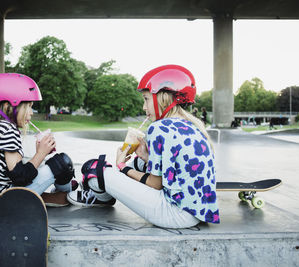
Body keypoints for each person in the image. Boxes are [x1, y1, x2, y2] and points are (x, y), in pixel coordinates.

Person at [68, 65, 220, 228]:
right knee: (140, 163)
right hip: (197, 212)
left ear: (163, 97)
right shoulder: (191, 125)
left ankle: (97, 197)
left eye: (146, 99)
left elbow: (156, 184)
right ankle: (101, 194)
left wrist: (122, 167)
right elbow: (176, 169)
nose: (144, 107)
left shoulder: (159, 127)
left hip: (175, 213)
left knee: (96, 168)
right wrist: (147, 157)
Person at [0, 73, 76, 224]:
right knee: (62, 162)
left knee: (53, 165)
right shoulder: (9, 130)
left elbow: (12, 174)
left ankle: (53, 196)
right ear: (8, 106)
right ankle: (66, 193)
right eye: (28, 107)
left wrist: (38, 154)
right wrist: (40, 154)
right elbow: (19, 176)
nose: (31, 113)